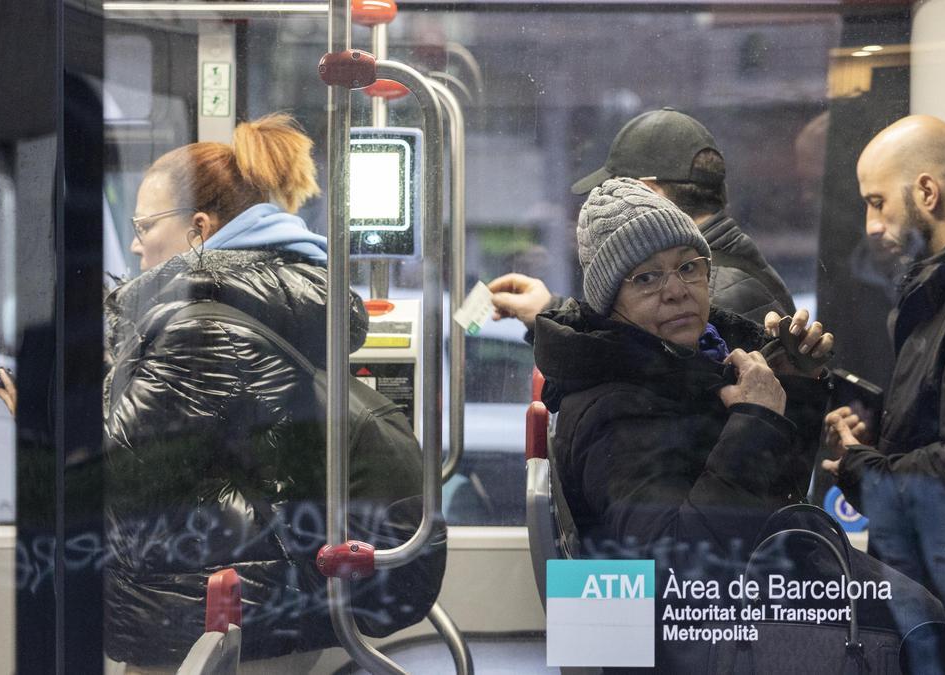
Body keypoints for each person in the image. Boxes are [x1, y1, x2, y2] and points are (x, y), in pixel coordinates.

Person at [98, 114, 444, 672]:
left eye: (144, 225)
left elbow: (122, 472)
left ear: (199, 229)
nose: (137, 246)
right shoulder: (269, 302)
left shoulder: (200, 323)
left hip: (207, 622)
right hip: (266, 602)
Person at [533, 178, 833, 670]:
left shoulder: (682, 365)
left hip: (703, 621)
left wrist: (793, 387)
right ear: (612, 304)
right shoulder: (615, 405)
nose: (676, 291)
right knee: (914, 628)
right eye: (645, 279)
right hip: (671, 646)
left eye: (688, 267)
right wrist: (754, 419)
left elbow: (773, 504)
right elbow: (684, 573)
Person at [822, 115, 945, 628]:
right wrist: (876, 439)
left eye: (877, 201)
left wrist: (862, 469)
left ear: (927, 192)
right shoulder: (936, 291)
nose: (870, 224)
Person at [490, 107, 795, 329]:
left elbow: (646, 380)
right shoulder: (726, 268)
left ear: (648, 193)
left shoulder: (713, 292)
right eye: (647, 278)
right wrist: (549, 311)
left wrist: (551, 316)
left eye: (620, 194)